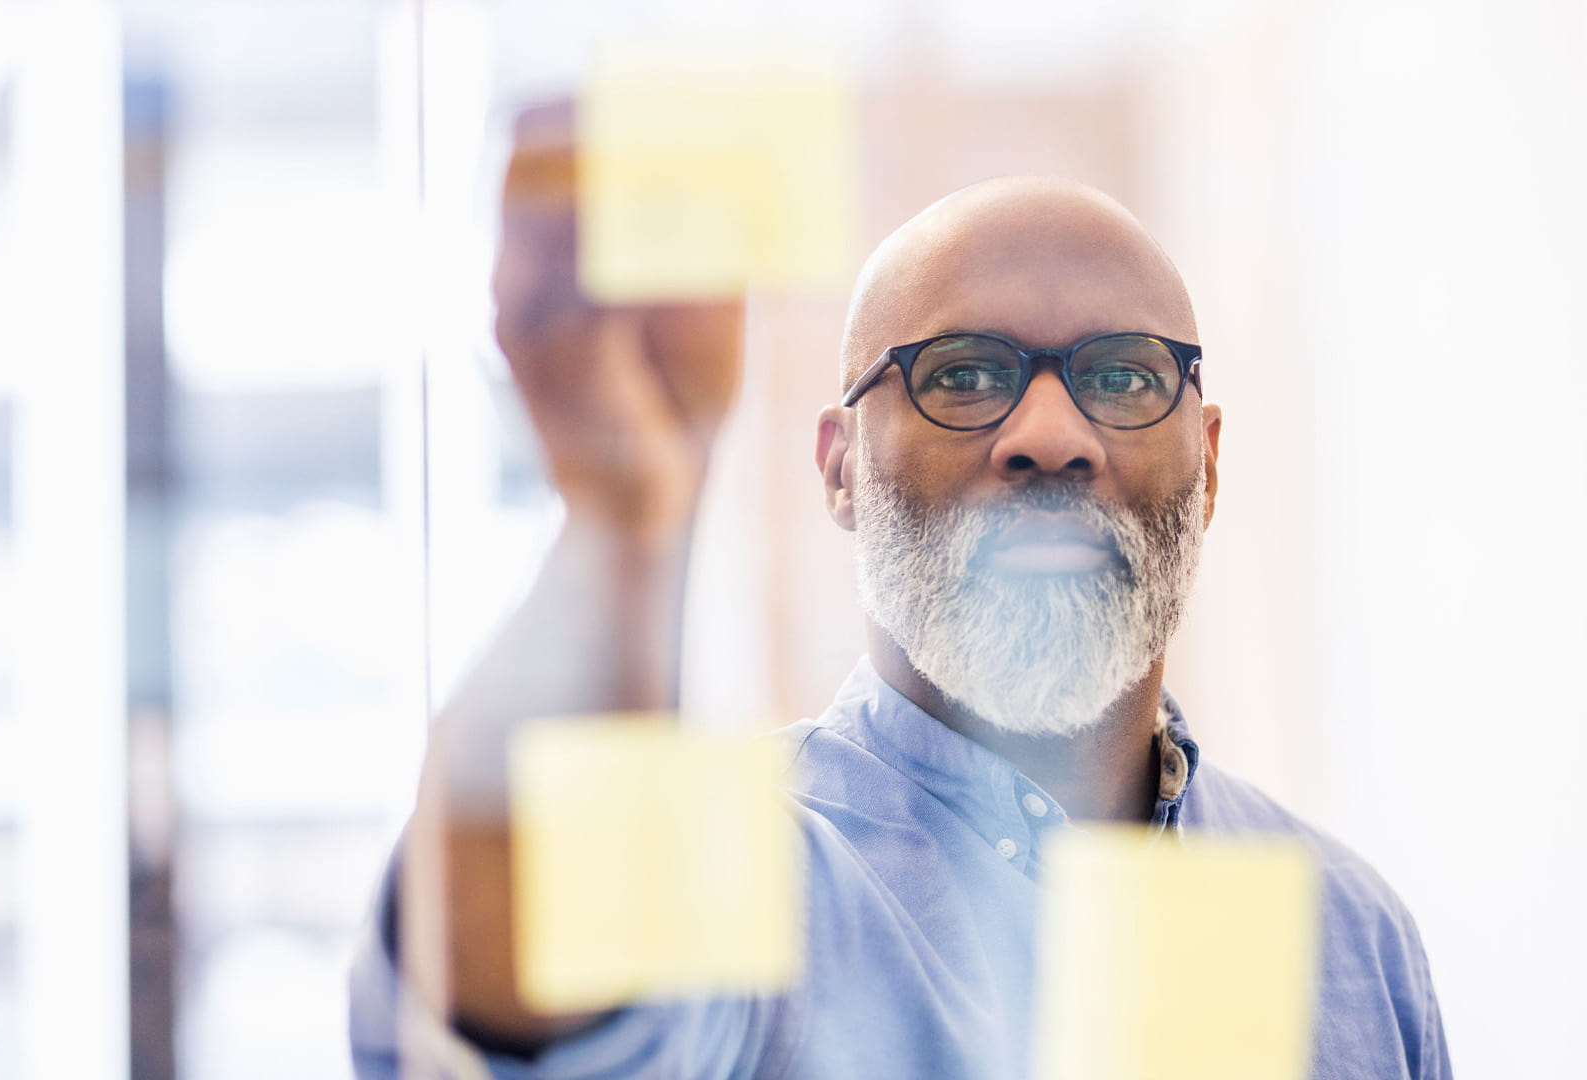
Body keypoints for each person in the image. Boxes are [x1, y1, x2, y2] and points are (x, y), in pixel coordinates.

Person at [349, 111, 1449, 1078]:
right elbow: (514, 995)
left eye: (1122, 376)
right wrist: (622, 523)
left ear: (1206, 464)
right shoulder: (744, 878)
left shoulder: (1350, 935)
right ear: (839, 467)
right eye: (963, 374)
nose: (1052, 437)